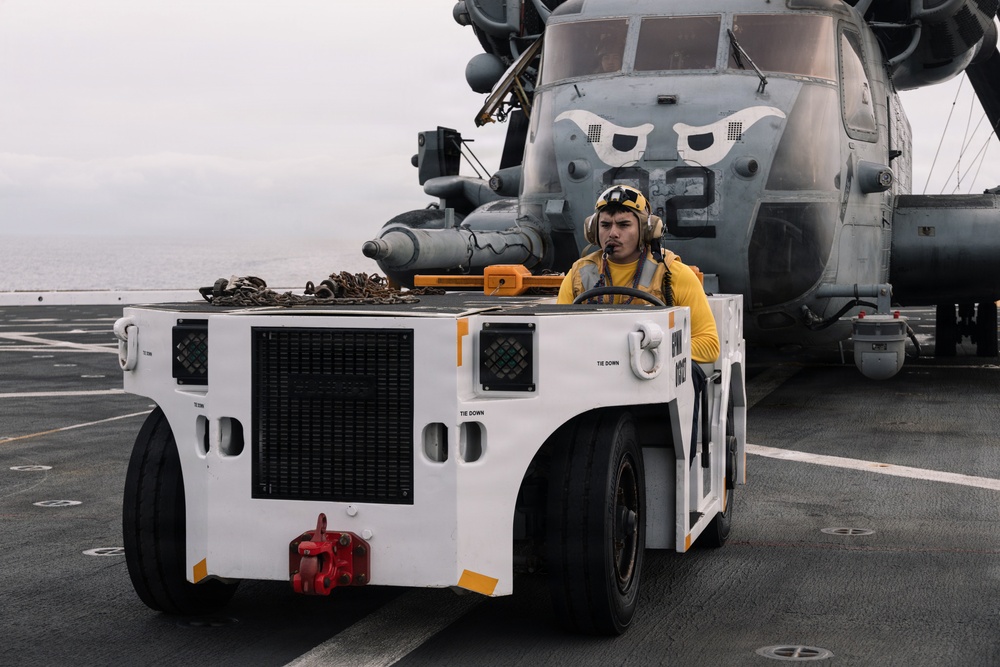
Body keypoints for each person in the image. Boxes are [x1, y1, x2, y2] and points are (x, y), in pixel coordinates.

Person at [557, 185, 720, 364]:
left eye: (624, 224)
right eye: (605, 225)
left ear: (646, 230)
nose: (613, 233)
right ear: (593, 229)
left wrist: (647, 348)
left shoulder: (674, 273)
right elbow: (556, 338)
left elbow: (709, 346)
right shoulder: (578, 275)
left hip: (656, 374)